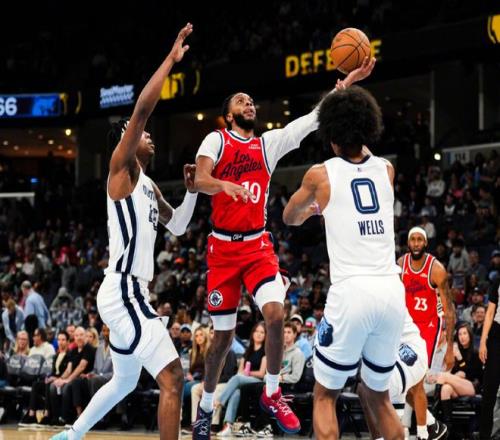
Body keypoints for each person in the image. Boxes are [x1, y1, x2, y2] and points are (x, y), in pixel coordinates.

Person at [192, 55, 376, 439]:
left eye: (251, 101)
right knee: (222, 338)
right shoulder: (217, 140)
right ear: (228, 115)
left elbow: (312, 119)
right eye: (241, 101)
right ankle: (206, 407)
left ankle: (273, 393)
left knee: (275, 314)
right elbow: (200, 180)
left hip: (256, 245)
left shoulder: (267, 145)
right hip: (222, 250)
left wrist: (347, 84)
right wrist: (224, 185)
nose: (249, 104)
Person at [50, 23, 195, 440]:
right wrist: (170, 59)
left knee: (125, 381)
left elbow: (179, 225)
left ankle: (71, 435)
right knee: (172, 376)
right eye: (141, 135)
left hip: (133, 291)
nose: (147, 135)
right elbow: (142, 111)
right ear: (126, 143)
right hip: (123, 289)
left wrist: (190, 192)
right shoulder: (122, 171)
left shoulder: (148, 187)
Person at [282, 85, 405, 440]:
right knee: (380, 397)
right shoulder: (387, 169)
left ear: (332, 136)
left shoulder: (320, 175)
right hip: (391, 292)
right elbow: (363, 157)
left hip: (352, 292)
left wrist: (314, 209)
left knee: (325, 395)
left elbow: (289, 217)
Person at [398, 227, 455, 439]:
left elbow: (449, 311)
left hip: (428, 328)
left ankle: (423, 433)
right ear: (408, 243)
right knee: (403, 384)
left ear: (425, 243)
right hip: (405, 327)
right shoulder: (400, 264)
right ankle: (432, 425)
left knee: (416, 382)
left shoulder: (436, 269)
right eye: (412, 239)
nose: (416, 243)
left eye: (419, 239)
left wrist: (449, 348)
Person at [361, 310, 447, 440]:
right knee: (371, 390)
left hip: (412, 345)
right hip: (401, 345)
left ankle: (423, 433)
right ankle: (431, 425)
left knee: (390, 389)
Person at [433, 323, 482, 432]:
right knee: (446, 388)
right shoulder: (455, 350)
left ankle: (433, 417)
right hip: (457, 385)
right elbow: (455, 372)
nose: (462, 337)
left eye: (465, 333)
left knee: (443, 376)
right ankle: (448, 426)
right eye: (460, 334)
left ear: (470, 335)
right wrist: (456, 375)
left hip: (472, 386)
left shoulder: (475, 352)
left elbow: (470, 374)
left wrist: (460, 359)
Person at [479, 283, 500, 438]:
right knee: (489, 391)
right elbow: (490, 312)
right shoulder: (497, 282)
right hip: (497, 335)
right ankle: (484, 436)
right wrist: (482, 341)